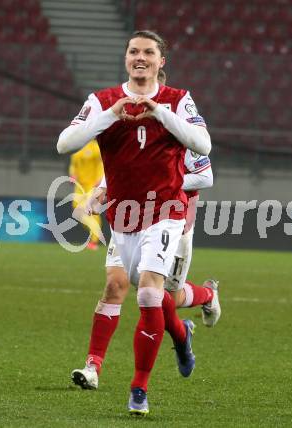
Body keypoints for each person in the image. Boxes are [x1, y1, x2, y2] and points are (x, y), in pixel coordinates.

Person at [57, 30, 212, 416]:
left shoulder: (178, 100)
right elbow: (65, 143)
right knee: (139, 291)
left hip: (168, 213)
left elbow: (204, 148)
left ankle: (138, 388)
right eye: (133, 51)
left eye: (148, 52)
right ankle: (184, 331)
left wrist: (159, 111)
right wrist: (112, 115)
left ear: (162, 62)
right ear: (126, 58)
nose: (139, 57)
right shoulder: (103, 101)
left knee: (147, 293)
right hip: (124, 218)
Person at [69, 139, 104, 250]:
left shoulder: (95, 147)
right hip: (80, 186)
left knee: (88, 209)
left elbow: (101, 164)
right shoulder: (77, 149)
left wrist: (100, 179)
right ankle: (94, 233)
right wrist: (72, 175)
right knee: (77, 211)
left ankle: (94, 240)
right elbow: (73, 165)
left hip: (92, 185)